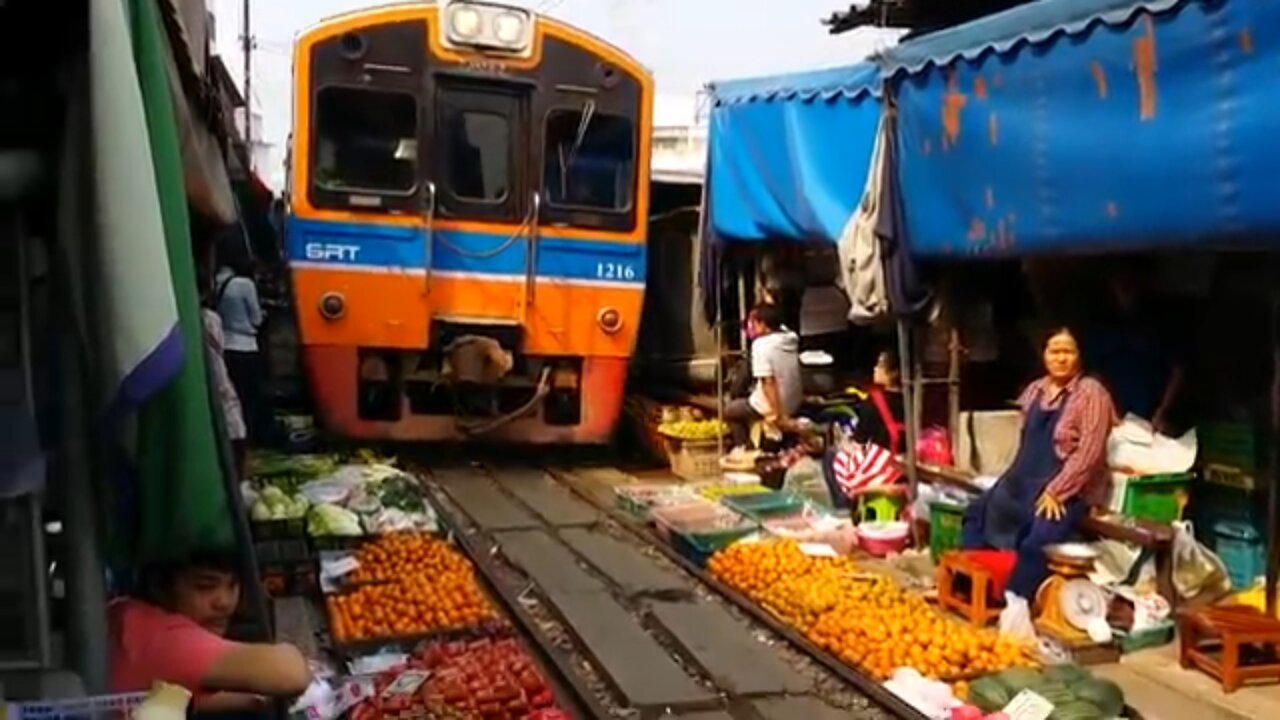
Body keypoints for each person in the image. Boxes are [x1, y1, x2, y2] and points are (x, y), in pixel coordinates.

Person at [960, 327, 1116, 599]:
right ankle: (975, 586)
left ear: (1080, 356)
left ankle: (1013, 601)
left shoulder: (1092, 393)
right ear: (1044, 354)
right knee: (977, 514)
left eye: (1068, 351)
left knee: (1037, 543)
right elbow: (1025, 442)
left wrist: (1057, 490)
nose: (1060, 358)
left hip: (1064, 489)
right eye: (1054, 351)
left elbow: (1089, 452)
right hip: (1021, 481)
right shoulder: (1035, 389)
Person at [109, 549, 311, 711]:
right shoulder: (167, 641)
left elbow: (174, 696)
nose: (224, 602)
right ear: (161, 587)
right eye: (205, 587)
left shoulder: (128, 613)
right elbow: (291, 673)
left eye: (232, 585)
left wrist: (252, 699)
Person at [1087, 266, 1185, 435]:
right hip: (1114, 416)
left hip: (1155, 416)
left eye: (1131, 282)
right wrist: (1108, 412)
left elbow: (1178, 369)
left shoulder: (1161, 321)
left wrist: (1164, 411)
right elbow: (1095, 374)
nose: (1126, 289)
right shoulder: (1102, 325)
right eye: (1120, 283)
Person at [724, 304, 802, 449]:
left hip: (776, 404)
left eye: (754, 322)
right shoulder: (791, 338)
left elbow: (768, 382)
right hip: (794, 401)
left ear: (764, 324)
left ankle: (744, 449)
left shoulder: (761, 346)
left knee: (730, 411)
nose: (750, 327)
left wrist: (777, 415)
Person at [214, 252, 269, 445]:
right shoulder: (245, 285)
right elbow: (256, 319)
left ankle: (231, 438)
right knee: (248, 399)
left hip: (225, 347)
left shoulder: (216, 281)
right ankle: (247, 439)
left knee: (230, 398)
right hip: (246, 348)